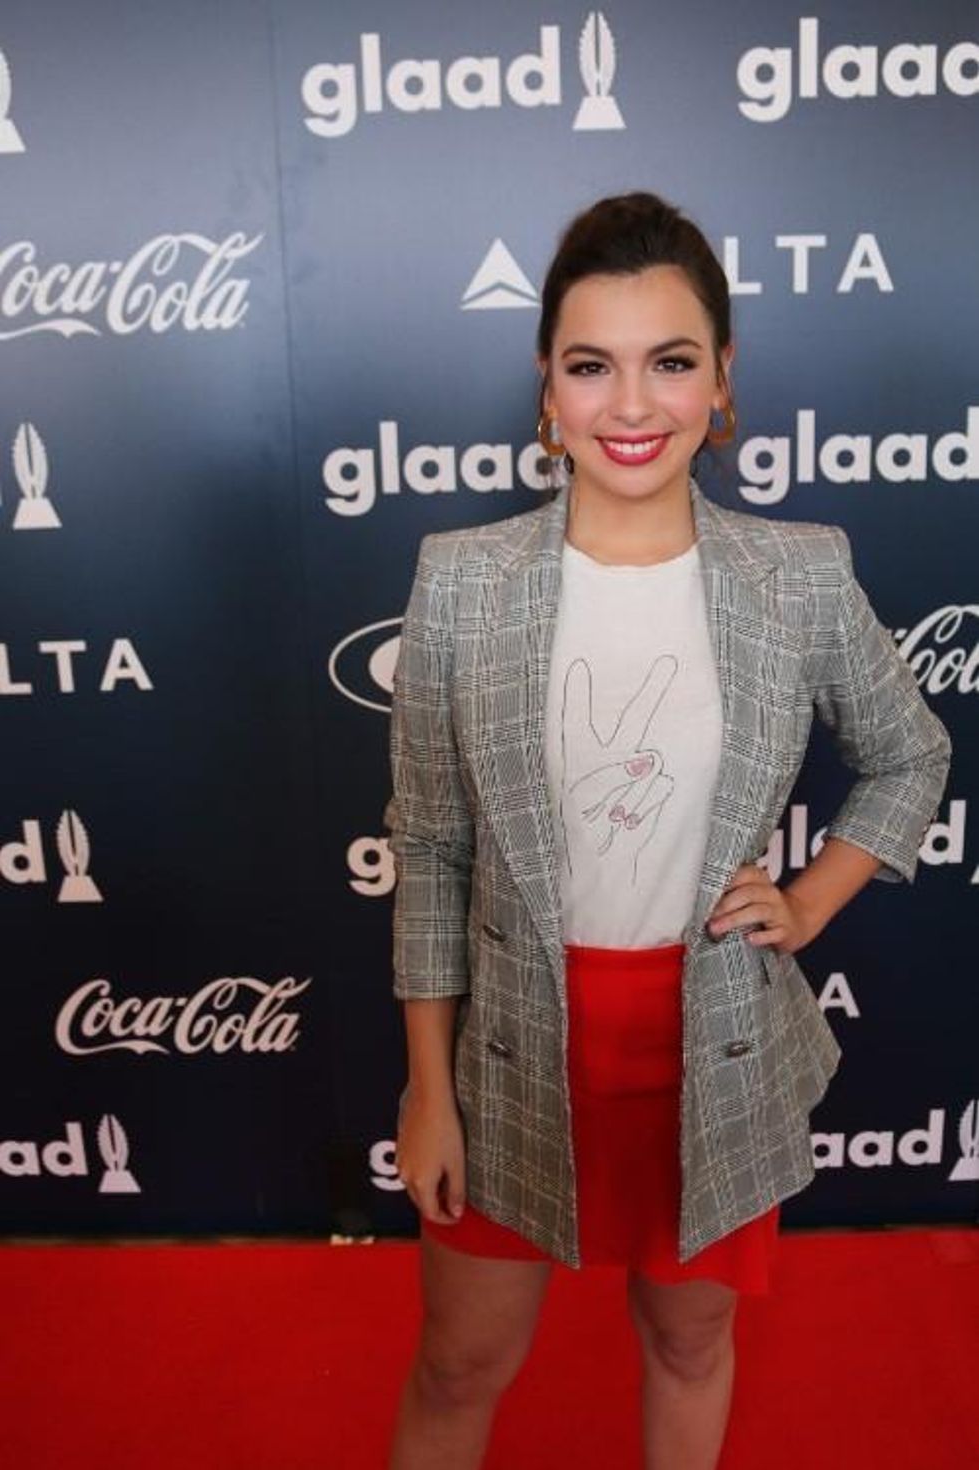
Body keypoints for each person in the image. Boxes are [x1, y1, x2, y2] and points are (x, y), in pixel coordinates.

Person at [383, 192, 952, 1470]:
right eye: (591, 366)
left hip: (716, 1050)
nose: (629, 406)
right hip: (513, 1055)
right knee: (458, 1362)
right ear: (546, 387)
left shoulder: (795, 574)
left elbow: (910, 752)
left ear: (719, 382)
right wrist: (427, 1090)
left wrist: (807, 902)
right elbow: (428, 849)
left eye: (669, 362)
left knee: (688, 1348)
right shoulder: (460, 583)